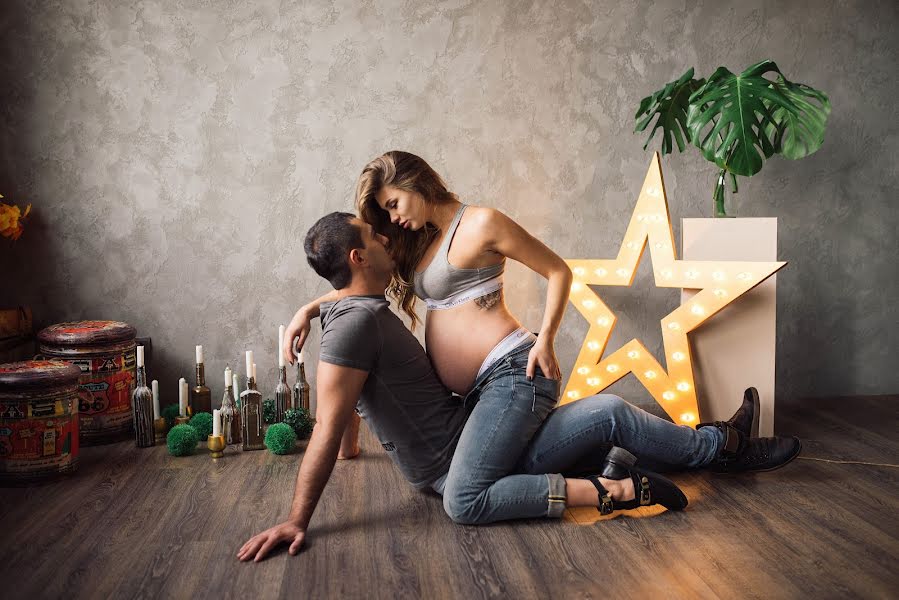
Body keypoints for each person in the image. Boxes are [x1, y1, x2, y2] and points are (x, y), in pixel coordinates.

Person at [237, 212, 800, 562]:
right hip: (458, 462)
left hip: (477, 430)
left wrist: (308, 308)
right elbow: (329, 425)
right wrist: (296, 520)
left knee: (607, 411)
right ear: (359, 257)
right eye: (374, 236)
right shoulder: (355, 325)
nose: (388, 238)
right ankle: (620, 490)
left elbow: (352, 383)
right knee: (467, 501)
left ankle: (721, 445)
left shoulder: (357, 308)